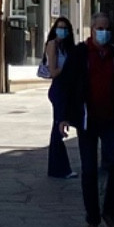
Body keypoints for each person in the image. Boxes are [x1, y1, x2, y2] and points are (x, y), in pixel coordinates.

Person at [55, 12, 114, 227]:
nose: (103, 32)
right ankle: (92, 218)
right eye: (100, 28)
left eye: (106, 28)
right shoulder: (80, 54)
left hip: (111, 119)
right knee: (89, 170)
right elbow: (66, 85)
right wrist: (63, 116)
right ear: (92, 30)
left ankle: (110, 211)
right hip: (87, 120)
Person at [36, 13, 76, 178]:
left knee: (59, 125)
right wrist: (68, 69)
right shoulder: (52, 45)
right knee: (58, 127)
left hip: (67, 88)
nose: (62, 31)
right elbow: (53, 71)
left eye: (65, 28)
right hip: (58, 88)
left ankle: (57, 168)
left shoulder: (67, 47)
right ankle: (60, 168)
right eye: (59, 28)